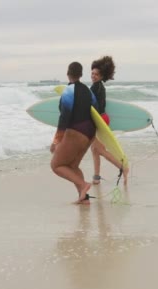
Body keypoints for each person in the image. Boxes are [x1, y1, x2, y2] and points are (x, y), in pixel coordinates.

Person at [50, 62, 98, 204]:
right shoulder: (89, 91)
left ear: (68, 73)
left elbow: (64, 117)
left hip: (77, 131)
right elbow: (96, 110)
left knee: (56, 165)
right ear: (81, 74)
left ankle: (83, 185)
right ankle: (84, 198)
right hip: (90, 132)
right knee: (73, 166)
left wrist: (56, 141)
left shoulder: (69, 91)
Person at [89, 56, 129, 185]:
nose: (93, 76)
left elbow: (91, 108)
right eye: (92, 73)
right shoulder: (99, 86)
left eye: (96, 74)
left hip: (98, 120)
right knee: (95, 149)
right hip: (102, 118)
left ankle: (123, 168)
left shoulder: (95, 88)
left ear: (101, 76)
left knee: (99, 150)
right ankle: (96, 177)